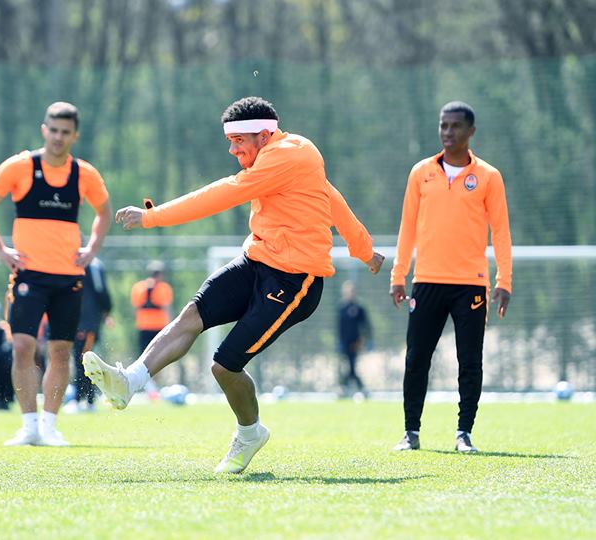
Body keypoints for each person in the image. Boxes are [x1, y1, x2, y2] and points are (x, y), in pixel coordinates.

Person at [82, 96, 384, 473]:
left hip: (295, 280)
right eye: (230, 141)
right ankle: (130, 381)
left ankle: (250, 433)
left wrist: (152, 217)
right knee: (192, 315)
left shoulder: (289, 154)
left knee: (224, 366)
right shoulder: (285, 158)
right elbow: (331, 197)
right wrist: (364, 250)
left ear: (264, 135)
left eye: (238, 141)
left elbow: (223, 193)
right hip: (255, 261)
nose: (232, 150)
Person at [0, 101, 113, 446]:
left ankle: (50, 426)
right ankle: (29, 425)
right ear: (44, 130)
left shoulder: (84, 174)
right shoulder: (20, 167)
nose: (58, 137)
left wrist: (92, 248)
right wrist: (0, 249)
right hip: (28, 275)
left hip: (68, 277)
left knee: (61, 351)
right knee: (22, 346)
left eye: (66, 132)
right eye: (54, 130)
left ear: (74, 135)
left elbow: (104, 212)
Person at [390, 101, 512, 454]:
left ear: (470, 132)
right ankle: (411, 432)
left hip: (471, 284)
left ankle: (464, 433)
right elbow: (407, 227)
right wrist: (398, 274)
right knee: (416, 359)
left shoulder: (488, 176)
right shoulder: (421, 173)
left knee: (469, 361)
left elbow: (501, 232)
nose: (448, 132)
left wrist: (504, 280)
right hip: (426, 281)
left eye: (455, 126)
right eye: (444, 125)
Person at [65, 257, 113, 414]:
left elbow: (101, 291)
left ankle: (85, 400)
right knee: (82, 360)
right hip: (79, 321)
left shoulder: (93, 265)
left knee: (85, 360)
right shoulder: (83, 263)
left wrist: (105, 311)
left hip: (87, 322)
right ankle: (85, 400)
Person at [131, 260, 174, 356]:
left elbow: (135, 309)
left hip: (143, 326)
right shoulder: (164, 288)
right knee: (159, 356)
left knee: (143, 355)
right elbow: (167, 308)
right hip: (160, 327)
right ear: (160, 274)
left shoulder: (138, 287)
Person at [338, 280, 371, 396]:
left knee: (351, 365)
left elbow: (365, 325)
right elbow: (340, 326)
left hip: (355, 342)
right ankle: (356, 388)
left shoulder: (359, 308)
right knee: (348, 367)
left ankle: (344, 388)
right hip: (344, 342)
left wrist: (365, 340)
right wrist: (339, 342)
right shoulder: (341, 308)